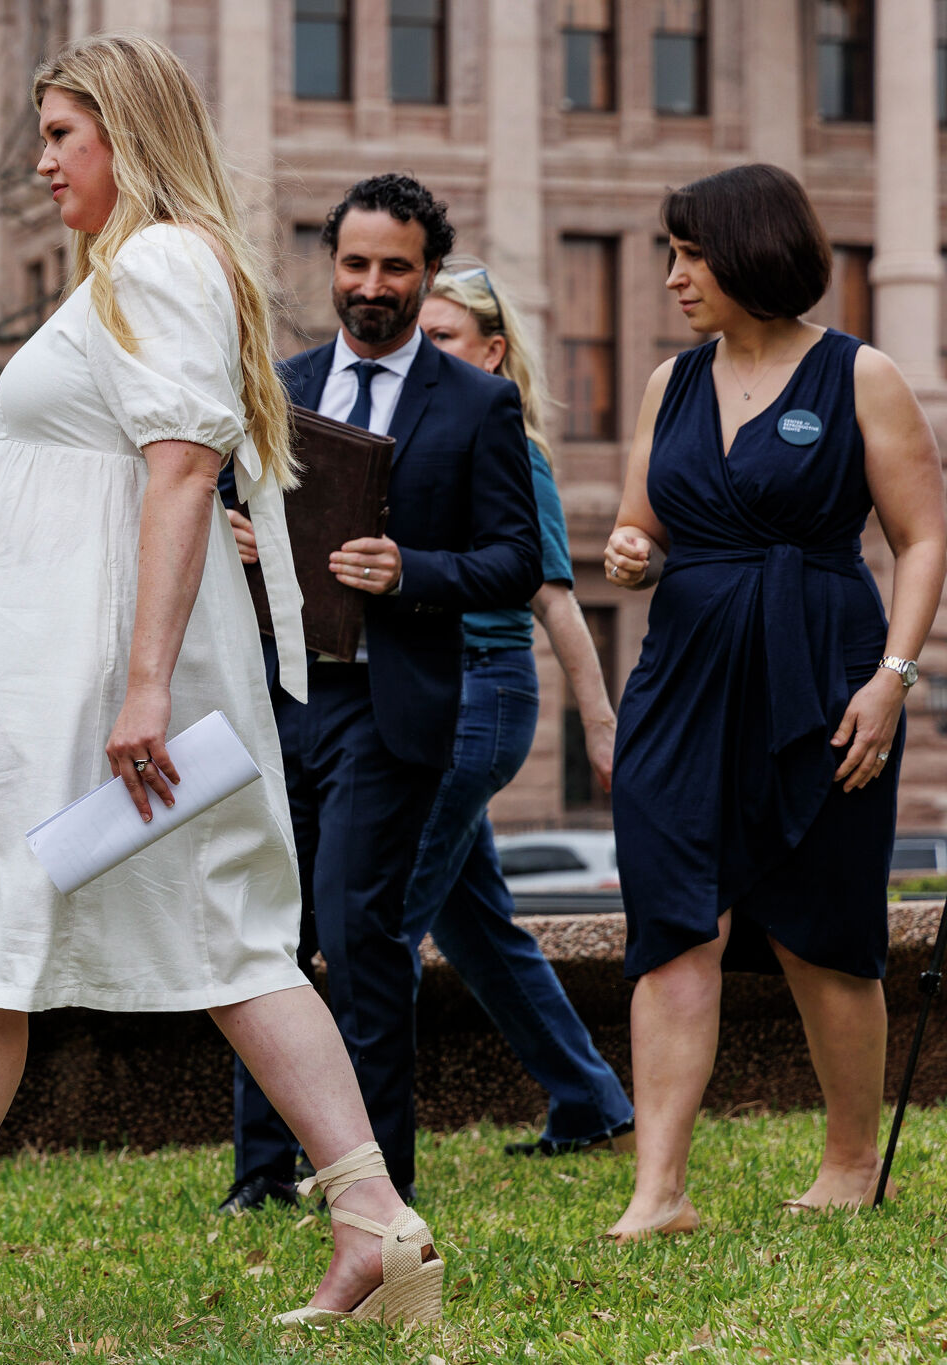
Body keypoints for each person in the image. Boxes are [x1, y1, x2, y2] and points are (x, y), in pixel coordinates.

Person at [0, 35, 445, 1345]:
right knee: (227, 936)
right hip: (80, 668)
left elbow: (182, 471)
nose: (43, 160)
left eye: (63, 132)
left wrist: (139, 690)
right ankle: (376, 1220)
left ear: (127, 133)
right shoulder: (132, 271)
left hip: (99, 676)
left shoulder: (165, 261)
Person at [601, 164, 945, 1241]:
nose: (671, 277)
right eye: (669, 255)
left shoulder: (857, 375)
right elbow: (637, 530)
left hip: (821, 672)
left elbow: (921, 538)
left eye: (689, 255)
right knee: (670, 919)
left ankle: (852, 1163)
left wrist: (890, 681)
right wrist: (627, 554)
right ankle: (658, 1191)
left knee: (820, 923)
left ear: (749, 251)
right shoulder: (669, 384)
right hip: (681, 677)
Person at [221, 175, 542, 1213]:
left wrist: (411, 571)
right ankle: (260, 1173)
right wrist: (235, 546)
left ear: (427, 272)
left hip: (388, 704)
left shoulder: (480, 403)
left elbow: (512, 561)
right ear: (330, 267)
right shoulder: (278, 385)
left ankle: (377, 1184)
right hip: (277, 700)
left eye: (394, 267)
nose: (371, 285)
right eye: (354, 264)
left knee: (358, 938)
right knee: (264, 935)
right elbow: (232, 517)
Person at [402, 259, 635, 1159]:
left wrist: (601, 725)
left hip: (481, 696)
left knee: (377, 928)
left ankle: (336, 1147)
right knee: (479, 927)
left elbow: (555, 596)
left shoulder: (509, 447)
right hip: (431, 692)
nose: (426, 356)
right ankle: (593, 1105)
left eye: (445, 339)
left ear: (492, 354)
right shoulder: (421, 438)